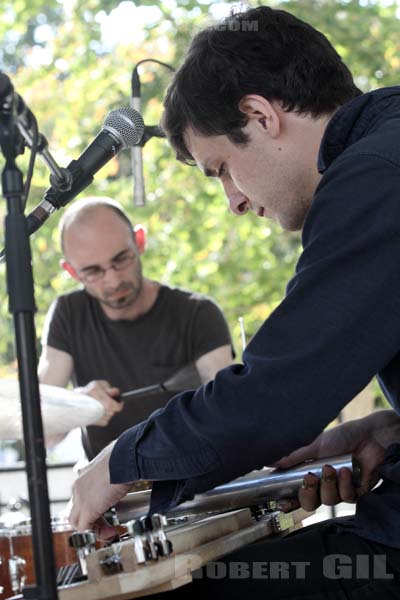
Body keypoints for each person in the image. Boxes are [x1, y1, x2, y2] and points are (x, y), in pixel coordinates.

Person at [69, 6, 400, 597]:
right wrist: (388, 430)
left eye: (222, 169)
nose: (234, 202)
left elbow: (276, 394)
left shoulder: (375, 176)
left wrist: (125, 457)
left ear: (258, 115)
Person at [38, 197, 234, 459]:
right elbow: (42, 433)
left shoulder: (198, 314)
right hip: (110, 487)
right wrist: (78, 404)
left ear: (139, 241)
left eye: (121, 259)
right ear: (72, 272)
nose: (113, 280)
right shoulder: (68, 314)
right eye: (93, 272)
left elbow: (230, 418)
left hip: (193, 481)